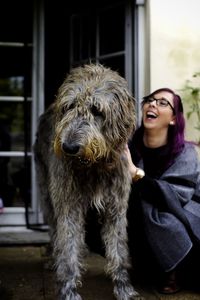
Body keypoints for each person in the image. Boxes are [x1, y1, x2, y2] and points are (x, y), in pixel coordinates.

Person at [125, 87, 200, 294]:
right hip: (139, 216)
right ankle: (146, 264)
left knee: (166, 216)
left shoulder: (185, 153)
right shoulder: (130, 147)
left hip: (183, 211)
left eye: (162, 102)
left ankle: (174, 270)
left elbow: (176, 196)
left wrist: (135, 173)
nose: (152, 104)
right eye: (149, 100)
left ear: (174, 119)